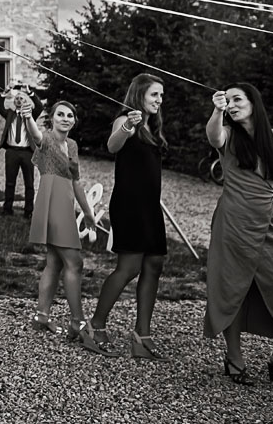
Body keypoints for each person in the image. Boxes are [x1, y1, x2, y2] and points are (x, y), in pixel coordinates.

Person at [204, 85, 273, 386]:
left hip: (266, 223)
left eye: (237, 99)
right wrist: (217, 110)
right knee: (233, 290)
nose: (231, 104)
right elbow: (213, 136)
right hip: (232, 223)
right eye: (228, 101)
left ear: (254, 102)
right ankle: (234, 358)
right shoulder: (227, 133)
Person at [89, 73, 168, 359]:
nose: (159, 100)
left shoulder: (153, 127)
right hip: (129, 204)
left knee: (154, 263)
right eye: (154, 95)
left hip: (150, 205)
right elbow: (112, 145)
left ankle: (141, 335)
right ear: (139, 96)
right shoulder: (126, 121)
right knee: (130, 266)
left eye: (161, 95)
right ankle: (95, 325)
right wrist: (127, 126)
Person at [25, 101, 113, 355]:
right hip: (51, 201)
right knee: (74, 262)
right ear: (51, 118)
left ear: (74, 120)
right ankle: (78, 320)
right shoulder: (47, 139)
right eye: (60, 114)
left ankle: (42, 316)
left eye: (70, 115)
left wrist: (87, 213)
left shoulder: (72, 145)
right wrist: (27, 115)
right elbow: (35, 134)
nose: (65, 118)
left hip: (65, 202)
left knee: (55, 260)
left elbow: (76, 181)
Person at [0, 82, 43, 217]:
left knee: (29, 183)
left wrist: (30, 92)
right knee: (10, 181)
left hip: (27, 152)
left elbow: (39, 106)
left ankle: (28, 211)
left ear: (26, 101)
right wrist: (4, 93)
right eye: (17, 98)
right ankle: (7, 209)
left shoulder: (31, 114)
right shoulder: (10, 114)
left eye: (22, 98)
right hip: (11, 152)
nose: (19, 100)